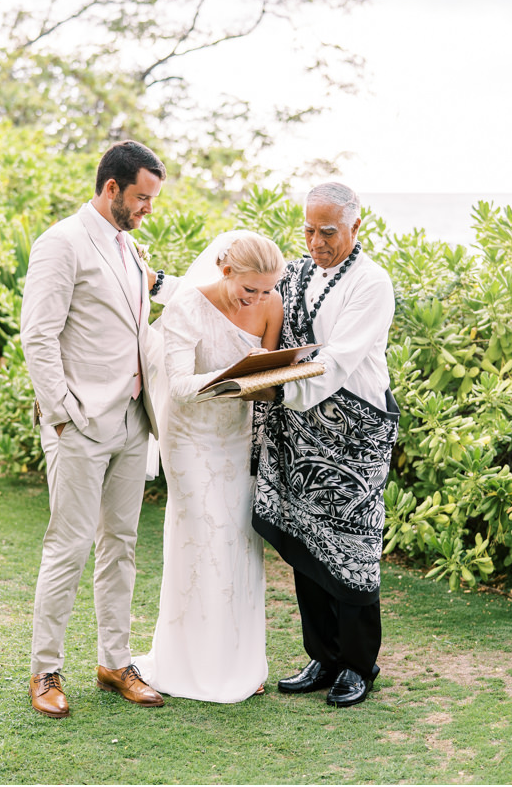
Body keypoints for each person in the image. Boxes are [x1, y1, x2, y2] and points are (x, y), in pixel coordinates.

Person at [20, 140, 168, 717]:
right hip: (79, 423)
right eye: (142, 197)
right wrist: (61, 413)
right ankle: (46, 670)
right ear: (113, 190)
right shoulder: (60, 243)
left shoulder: (130, 247)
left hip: (134, 421)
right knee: (69, 546)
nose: (148, 208)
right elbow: (38, 335)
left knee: (122, 545)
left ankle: (113, 661)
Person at [249, 181, 398, 708]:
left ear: (357, 226)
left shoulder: (372, 283)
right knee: (306, 539)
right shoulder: (295, 271)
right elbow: (245, 292)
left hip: (353, 431)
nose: (316, 241)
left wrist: (275, 388)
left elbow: (338, 359)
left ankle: (358, 665)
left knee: (353, 543)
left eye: (328, 231)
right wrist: (165, 286)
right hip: (299, 428)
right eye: (308, 229)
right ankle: (323, 656)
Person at [131, 231, 285, 703]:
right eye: (249, 290)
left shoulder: (271, 305)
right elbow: (177, 385)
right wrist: (232, 383)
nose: (258, 299)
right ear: (224, 270)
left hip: (237, 438)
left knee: (239, 541)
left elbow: (267, 378)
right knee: (202, 539)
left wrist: (274, 380)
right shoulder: (187, 307)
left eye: (266, 290)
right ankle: (188, 664)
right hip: (191, 437)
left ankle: (238, 662)